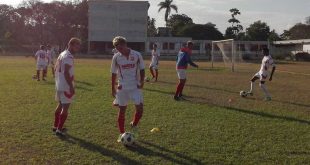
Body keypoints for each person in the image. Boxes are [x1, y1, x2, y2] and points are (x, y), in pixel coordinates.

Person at [110, 36, 145, 143]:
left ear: (125, 44)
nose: (118, 48)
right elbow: (113, 73)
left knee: (140, 109)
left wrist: (142, 82)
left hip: (135, 86)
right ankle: (121, 134)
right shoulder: (116, 57)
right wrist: (112, 88)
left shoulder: (137, 55)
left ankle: (134, 124)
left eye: (119, 46)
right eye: (116, 47)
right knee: (122, 111)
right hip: (122, 87)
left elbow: (142, 69)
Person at [53, 38, 81, 136]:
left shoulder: (62, 54)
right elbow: (66, 72)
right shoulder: (68, 56)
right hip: (65, 86)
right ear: (71, 45)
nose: (78, 48)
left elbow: (55, 68)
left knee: (60, 105)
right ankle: (59, 129)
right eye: (76, 46)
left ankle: (55, 126)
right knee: (65, 108)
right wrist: (71, 87)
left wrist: (57, 79)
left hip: (59, 84)